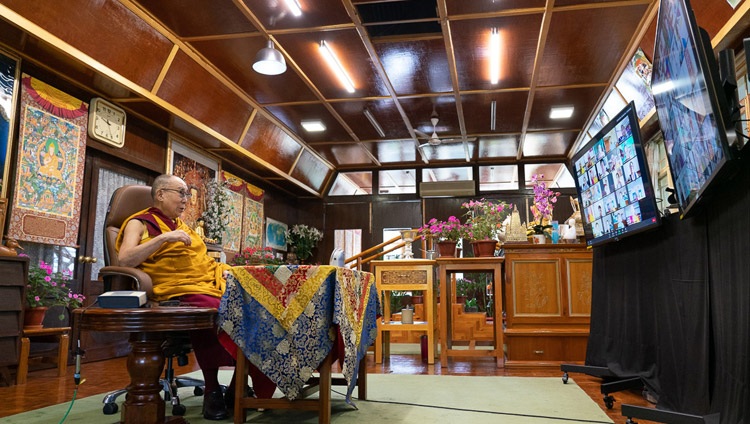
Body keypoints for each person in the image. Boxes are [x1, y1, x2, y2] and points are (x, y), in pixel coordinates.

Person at [115, 174, 241, 420]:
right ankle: (212, 390)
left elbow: (200, 260)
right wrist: (164, 238)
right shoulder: (139, 222)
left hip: (202, 283)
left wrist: (222, 272)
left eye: (187, 194)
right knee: (212, 309)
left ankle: (237, 386)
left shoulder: (184, 227)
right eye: (181, 193)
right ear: (160, 194)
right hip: (174, 289)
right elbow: (125, 258)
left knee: (247, 302)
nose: (186, 200)